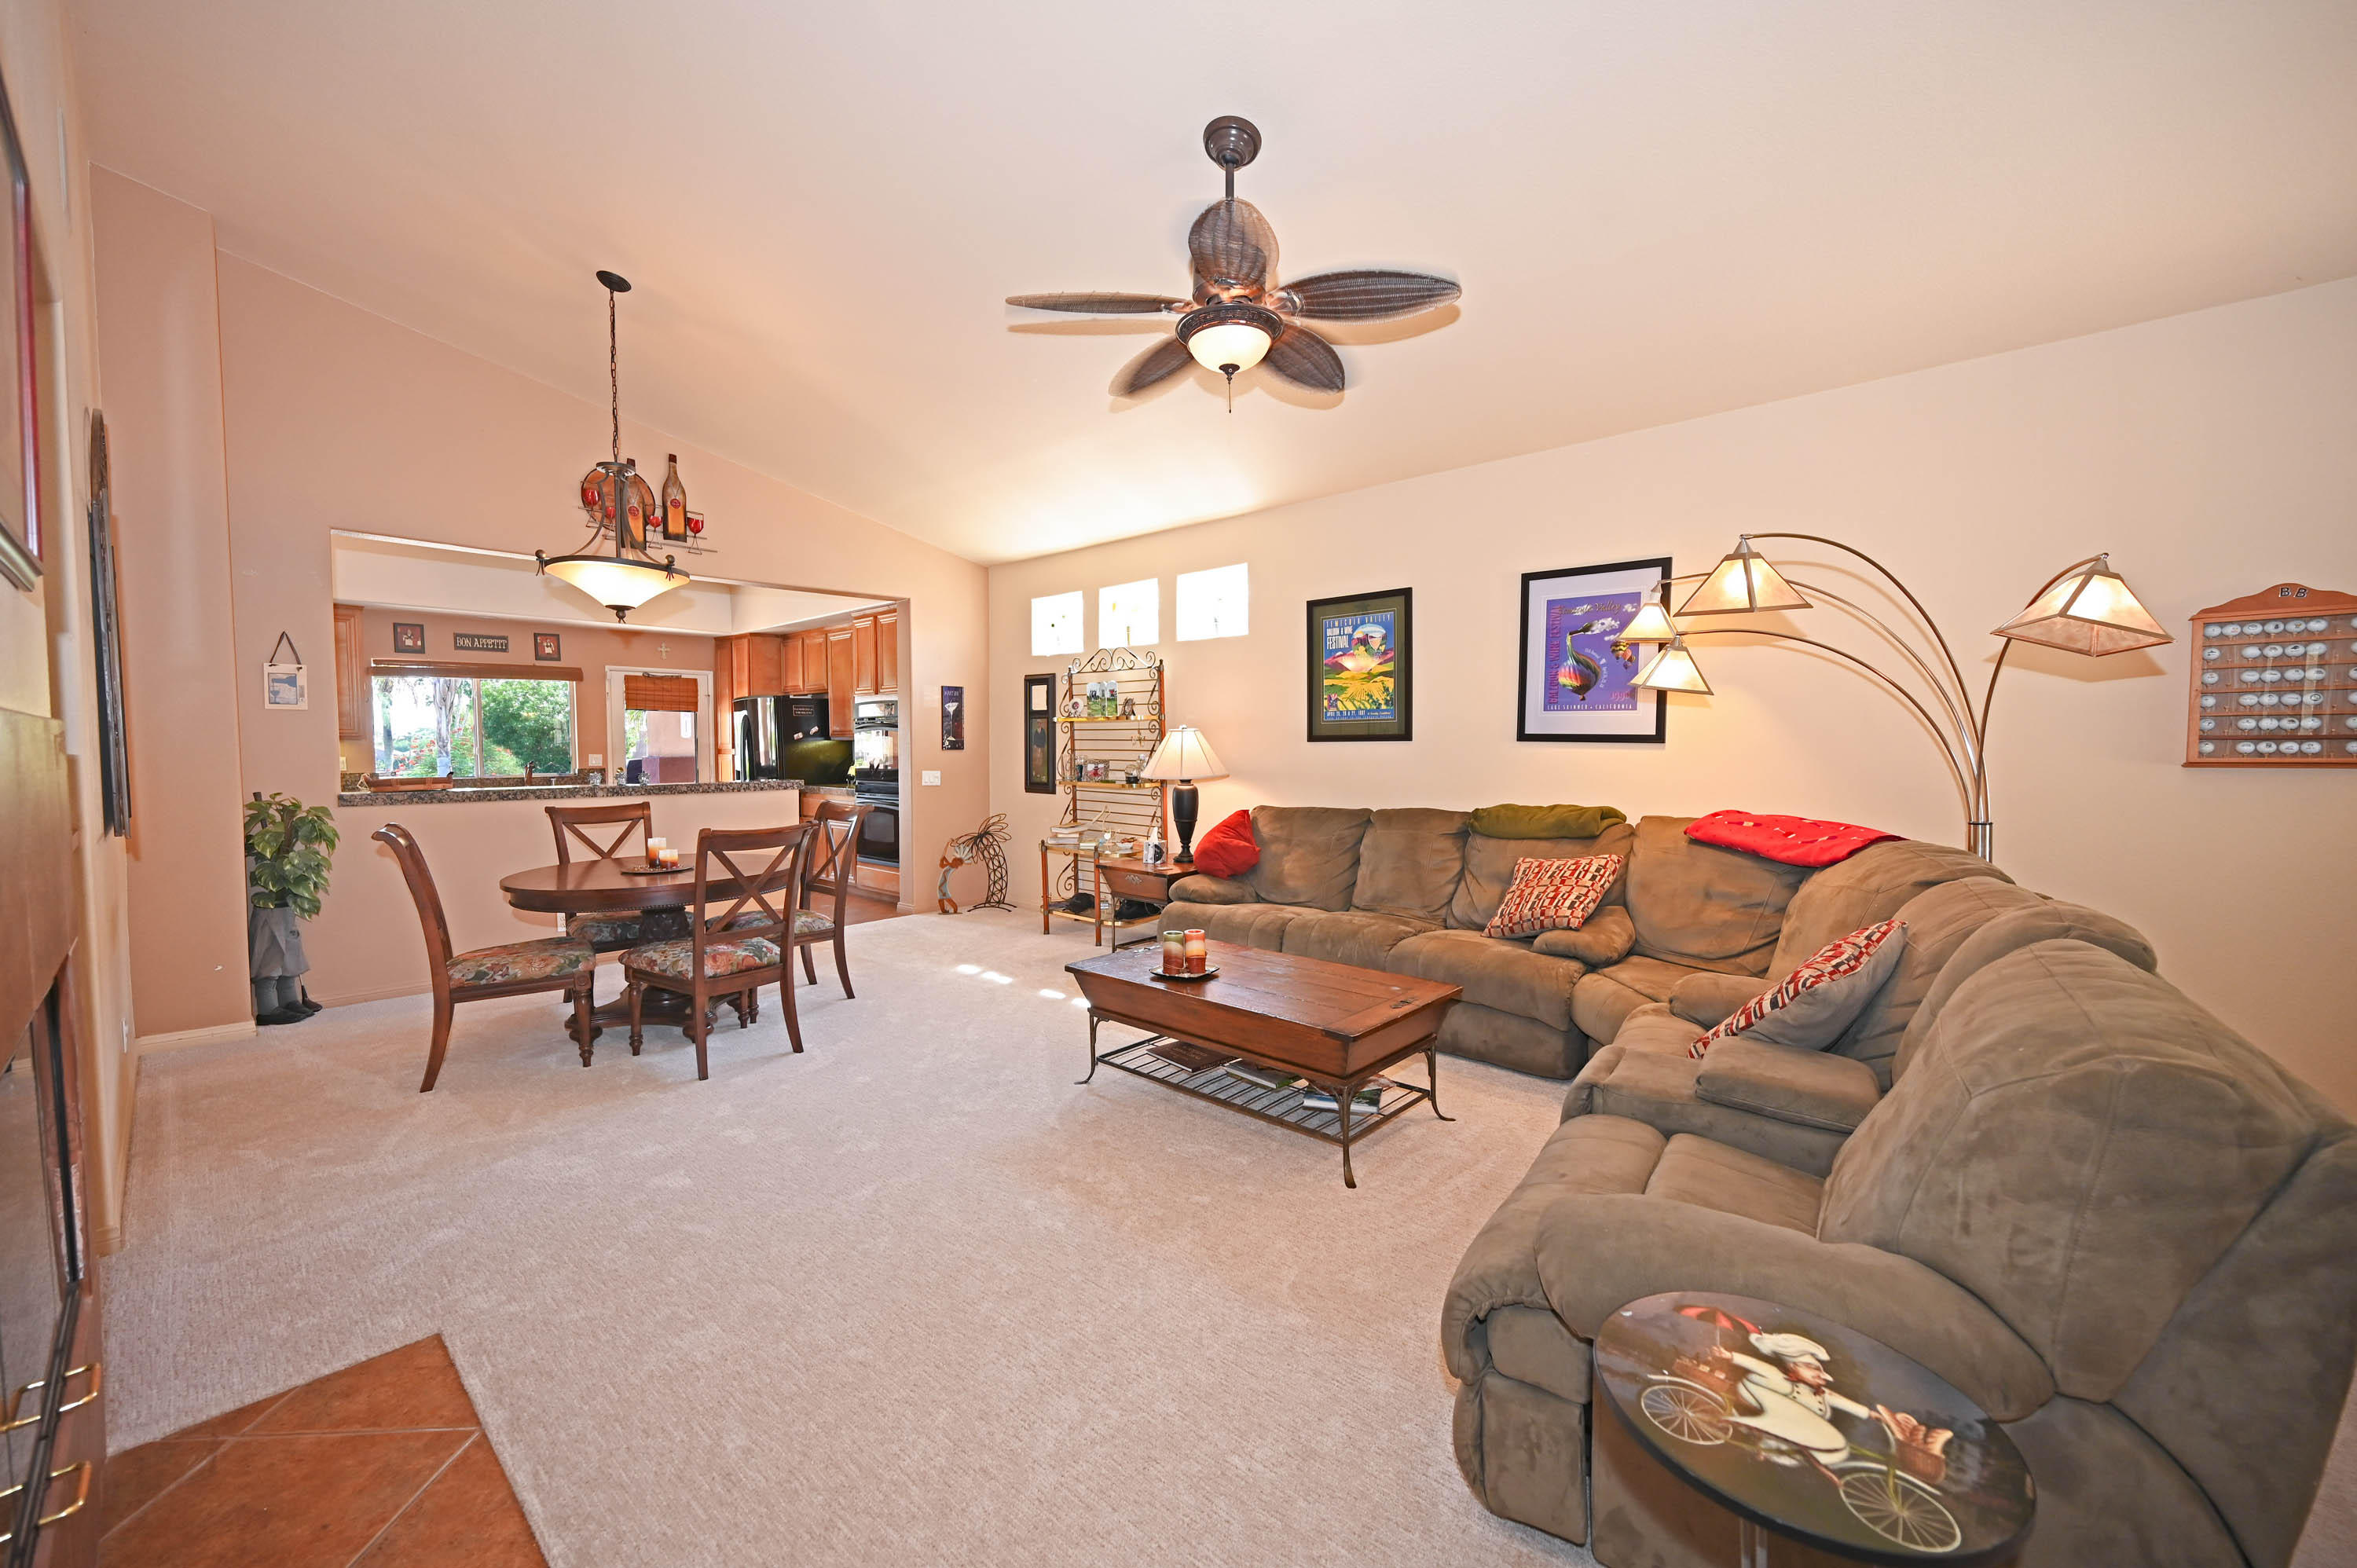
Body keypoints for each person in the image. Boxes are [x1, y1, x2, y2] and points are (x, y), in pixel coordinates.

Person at [1707, 1332, 1952, 1481]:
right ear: (1793, 1368)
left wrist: (1869, 1414)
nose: (1818, 1374)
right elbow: (1758, 1366)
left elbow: (1838, 1400)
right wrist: (1730, 1357)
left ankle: (1776, 1452)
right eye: (1811, 1368)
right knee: (1792, 1431)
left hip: (1797, 1422)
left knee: (1799, 1442)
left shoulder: (1819, 1391)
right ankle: (1761, 1442)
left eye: (1818, 1370)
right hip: (1762, 1399)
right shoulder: (1777, 1378)